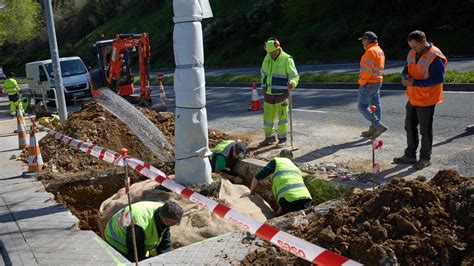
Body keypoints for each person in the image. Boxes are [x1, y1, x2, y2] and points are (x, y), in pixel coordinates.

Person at [394, 30, 447, 170]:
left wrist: (415, 83)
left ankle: (425, 158)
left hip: (427, 99)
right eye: (411, 46)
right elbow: (407, 68)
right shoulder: (412, 53)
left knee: (425, 130)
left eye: (415, 46)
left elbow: (439, 78)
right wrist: (404, 75)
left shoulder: (434, 55)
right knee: (409, 127)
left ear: (424, 40)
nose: (413, 49)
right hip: (413, 97)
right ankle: (410, 155)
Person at [105, 200, 183, 262]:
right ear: (166, 220)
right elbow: (135, 254)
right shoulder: (140, 225)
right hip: (117, 240)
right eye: (174, 223)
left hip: (134, 231)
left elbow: (165, 242)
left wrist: (166, 259)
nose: (175, 224)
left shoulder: (164, 211)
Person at [259, 37, 300, 147]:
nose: (271, 54)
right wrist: (264, 87)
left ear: (278, 48)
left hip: (281, 94)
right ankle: (269, 137)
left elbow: (294, 76)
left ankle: (282, 139)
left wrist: (292, 83)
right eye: (269, 52)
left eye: (273, 52)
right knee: (267, 118)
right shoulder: (267, 58)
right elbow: (263, 73)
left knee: (282, 118)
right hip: (268, 94)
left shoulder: (287, 59)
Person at [250, 149, 312, 216]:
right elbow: (290, 195)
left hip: (290, 201)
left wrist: (252, 192)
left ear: (280, 156)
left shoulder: (277, 162)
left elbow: (257, 177)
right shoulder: (295, 167)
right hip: (307, 199)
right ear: (291, 158)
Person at [357, 31, 388, 138]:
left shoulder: (370, 52)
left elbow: (367, 71)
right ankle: (374, 129)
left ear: (367, 40)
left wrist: (362, 82)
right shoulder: (379, 50)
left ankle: (378, 125)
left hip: (368, 82)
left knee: (362, 106)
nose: (362, 43)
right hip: (377, 81)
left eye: (363, 40)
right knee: (376, 105)